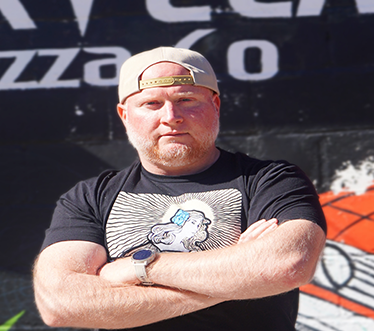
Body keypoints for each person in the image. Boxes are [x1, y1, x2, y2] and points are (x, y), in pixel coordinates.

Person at [33, 46, 327, 330]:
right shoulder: (90, 198)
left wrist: (139, 269)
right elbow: (59, 303)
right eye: (151, 104)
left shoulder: (271, 180)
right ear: (124, 115)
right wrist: (241, 278)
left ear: (216, 105)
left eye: (186, 100)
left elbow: (288, 264)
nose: (171, 116)